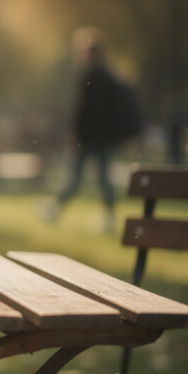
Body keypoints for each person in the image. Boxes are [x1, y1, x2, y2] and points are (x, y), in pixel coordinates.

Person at [43, 26, 138, 230]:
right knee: (104, 179)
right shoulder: (111, 77)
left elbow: (83, 110)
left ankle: (55, 208)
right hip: (105, 137)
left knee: (76, 177)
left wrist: (74, 133)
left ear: (90, 53)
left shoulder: (90, 76)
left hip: (88, 138)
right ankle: (109, 217)